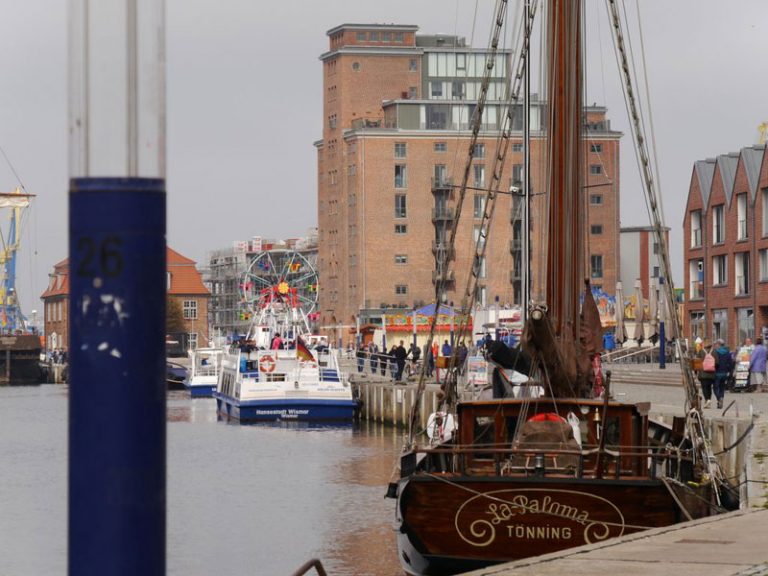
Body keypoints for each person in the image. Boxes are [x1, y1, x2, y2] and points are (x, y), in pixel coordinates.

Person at [713, 338, 733, 409]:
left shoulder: (715, 352)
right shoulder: (727, 353)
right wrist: (730, 371)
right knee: (722, 388)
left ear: (718, 344)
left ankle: (719, 399)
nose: (715, 345)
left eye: (716, 344)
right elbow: (731, 364)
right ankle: (721, 399)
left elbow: (714, 363)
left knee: (715, 388)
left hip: (717, 373)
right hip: (725, 373)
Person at [696, 340, 716, 408]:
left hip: (703, 373)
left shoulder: (701, 351)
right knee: (709, 387)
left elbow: (697, 362)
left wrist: (696, 371)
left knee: (704, 388)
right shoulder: (714, 351)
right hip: (711, 373)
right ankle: (709, 400)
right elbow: (717, 363)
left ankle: (707, 400)